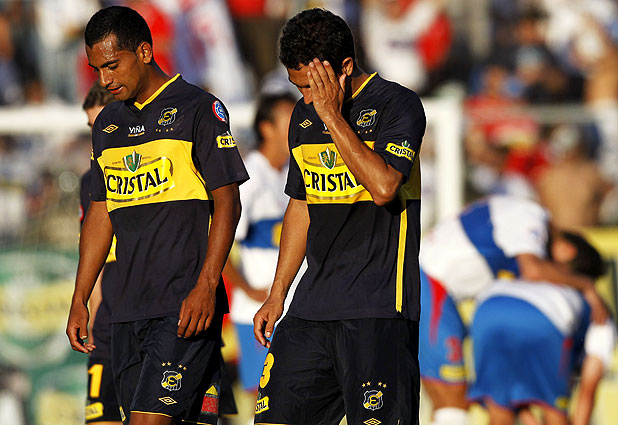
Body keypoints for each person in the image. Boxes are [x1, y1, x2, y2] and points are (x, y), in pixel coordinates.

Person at [65, 6, 249, 425]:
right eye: (97, 69)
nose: (104, 80)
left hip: (184, 307)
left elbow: (228, 202)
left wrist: (207, 285)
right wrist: (80, 298)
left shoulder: (197, 108)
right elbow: (101, 214)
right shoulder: (106, 124)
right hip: (126, 312)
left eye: (112, 65)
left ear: (145, 52)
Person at [252, 8, 426, 425]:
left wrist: (331, 117)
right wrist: (277, 293)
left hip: (378, 308)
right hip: (311, 308)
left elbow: (384, 187)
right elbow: (301, 204)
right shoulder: (303, 115)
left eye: (311, 86)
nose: (306, 99)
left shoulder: (397, 105)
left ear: (345, 67)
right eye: (298, 87)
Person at [418, 195, 609, 425]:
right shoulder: (530, 216)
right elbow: (533, 270)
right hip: (432, 281)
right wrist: (586, 285)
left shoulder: (521, 218)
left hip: (441, 288)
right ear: (566, 250)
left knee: (452, 399)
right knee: (453, 397)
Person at [468, 232, 616, 425]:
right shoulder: (598, 309)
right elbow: (587, 390)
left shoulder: (522, 273)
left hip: (488, 308)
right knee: (553, 411)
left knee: (499, 409)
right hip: (543, 316)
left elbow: (515, 393)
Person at [223, 92, 298, 400]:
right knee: (265, 399)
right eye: (290, 119)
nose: (299, 125)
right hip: (258, 312)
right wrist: (248, 289)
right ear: (267, 128)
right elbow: (218, 241)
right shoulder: (250, 175)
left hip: (290, 307)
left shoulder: (291, 172)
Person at [80, 82, 121, 425]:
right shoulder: (88, 183)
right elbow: (94, 259)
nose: (96, 136)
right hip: (107, 322)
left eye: (102, 125)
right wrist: (93, 318)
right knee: (100, 417)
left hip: (150, 310)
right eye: (91, 127)